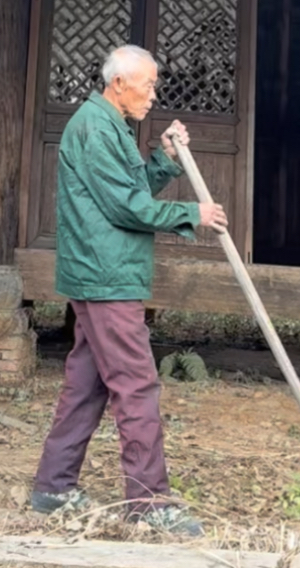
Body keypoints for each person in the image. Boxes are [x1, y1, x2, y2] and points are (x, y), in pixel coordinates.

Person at [30, 45, 228, 537]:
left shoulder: (109, 125)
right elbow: (127, 208)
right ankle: (148, 502)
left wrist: (163, 158)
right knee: (136, 386)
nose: (153, 94)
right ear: (119, 83)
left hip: (104, 273)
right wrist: (192, 214)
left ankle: (53, 486)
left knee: (87, 383)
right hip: (105, 277)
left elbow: (133, 186)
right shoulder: (95, 127)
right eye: (149, 84)